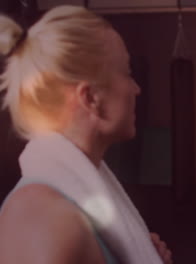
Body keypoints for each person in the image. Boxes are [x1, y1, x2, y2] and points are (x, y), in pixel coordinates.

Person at [0, 6, 172, 264]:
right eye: (127, 73)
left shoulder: (66, 213)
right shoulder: (44, 221)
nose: (136, 89)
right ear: (90, 98)